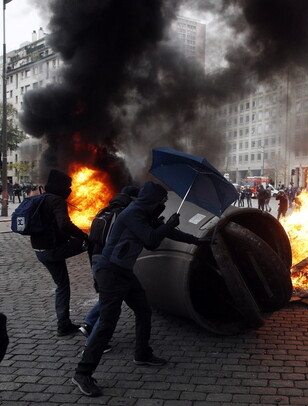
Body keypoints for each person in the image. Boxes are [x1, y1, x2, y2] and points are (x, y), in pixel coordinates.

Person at [72, 181, 203, 397]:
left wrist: (197, 240)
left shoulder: (143, 215)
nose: (162, 204)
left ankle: (142, 353)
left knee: (143, 310)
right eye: (161, 200)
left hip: (124, 272)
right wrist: (169, 223)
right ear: (151, 200)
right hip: (111, 272)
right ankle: (82, 373)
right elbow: (152, 237)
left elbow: (160, 236)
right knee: (107, 323)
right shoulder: (132, 213)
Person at [79, 186, 140, 353]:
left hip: (96, 258)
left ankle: (89, 322)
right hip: (112, 263)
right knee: (111, 303)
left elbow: (91, 241)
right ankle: (93, 344)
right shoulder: (125, 215)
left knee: (109, 297)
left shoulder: (103, 211)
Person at [30, 169, 88, 337]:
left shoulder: (39, 199)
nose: (69, 190)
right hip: (53, 250)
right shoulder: (56, 200)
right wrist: (83, 236)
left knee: (62, 285)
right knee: (92, 243)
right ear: (61, 187)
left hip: (40, 250)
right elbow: (64, 224)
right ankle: (101, 281)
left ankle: (63, 324)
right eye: (68, 186)